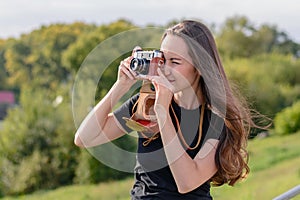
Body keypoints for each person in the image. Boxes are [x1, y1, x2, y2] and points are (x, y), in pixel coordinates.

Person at [74, 20, 256, 199]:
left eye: (175, 62)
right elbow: (84, 138)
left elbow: (186, 183)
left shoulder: (217, 120)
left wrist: (163, 113)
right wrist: (121, 85)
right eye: (162, 60)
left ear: (200, 67)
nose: (165, 69)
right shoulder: (146, 103)